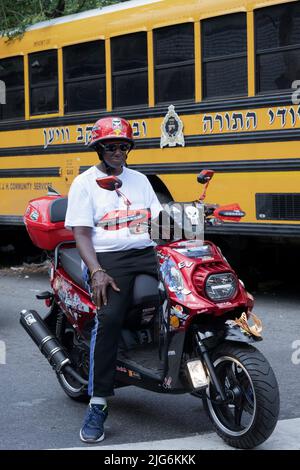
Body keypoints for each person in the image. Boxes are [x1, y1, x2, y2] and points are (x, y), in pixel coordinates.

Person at [65, 117, 162, 443]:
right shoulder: (84, 183)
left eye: (123, 145)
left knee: (183, 295)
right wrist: (96, 271)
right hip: (108, 258)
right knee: (108, 318)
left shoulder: (141, 181)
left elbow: (161, 222)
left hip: (145, 252)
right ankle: (98, 403)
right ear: (100, 149)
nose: (118, 151)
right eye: (111, 146)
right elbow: (80, 234)